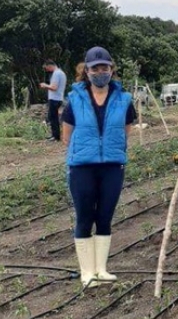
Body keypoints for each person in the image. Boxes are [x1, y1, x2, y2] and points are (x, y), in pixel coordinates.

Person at [62, 46, 136, 288]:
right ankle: (87, 273)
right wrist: (88, 150)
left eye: (105, 67)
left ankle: (101, 269)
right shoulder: (74, 99)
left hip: (112, 166)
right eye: (95, 68)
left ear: (111, 69)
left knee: (104, 217)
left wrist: (111, 150)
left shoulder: (124, 99)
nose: (100, 71)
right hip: (82, 167)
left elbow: (125, 131)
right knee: (85, 217)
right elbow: (66, 136)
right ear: (87, 71)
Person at [40, 59, 67, 141]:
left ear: (50, 65)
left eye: (46, 68)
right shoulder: (61, 73)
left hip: (55, 99)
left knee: (53, 117)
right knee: (53, 117)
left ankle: (55, 136)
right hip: (58, 98)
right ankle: (55, 135)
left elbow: (54, 87)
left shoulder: (56, 73)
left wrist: (45, 85)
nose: (47, 70)